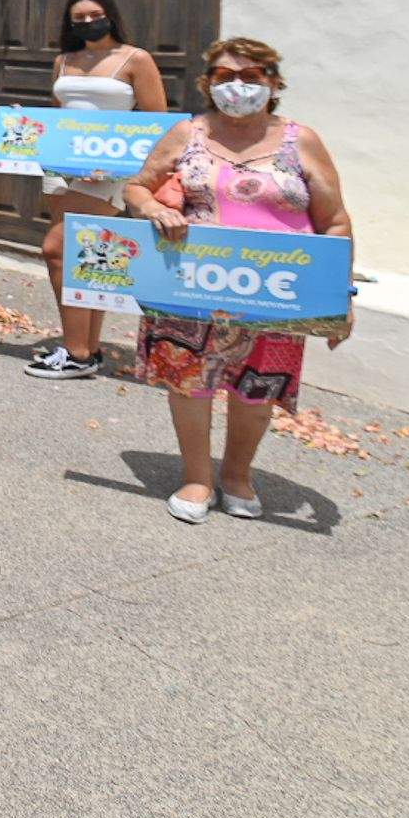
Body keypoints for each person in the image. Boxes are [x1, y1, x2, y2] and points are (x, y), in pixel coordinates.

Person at [124, 38, 351, 525]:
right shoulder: (187, 133)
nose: (238, 85)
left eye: (251, 75)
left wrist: (339, 297)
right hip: (190, 283)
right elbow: (137, 187)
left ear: (274, 83)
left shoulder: (301, 141)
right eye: (225, 76)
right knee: (190, 382)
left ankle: (237, 475)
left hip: (278, 292)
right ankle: (197, 477)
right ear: (208, 83)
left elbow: (334, 222)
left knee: (258, 389)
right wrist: (153, 208)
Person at [25, 0, 168, 380]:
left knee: (58, 250)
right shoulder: (63, 60)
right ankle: (88, 348)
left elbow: (158, 123)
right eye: (79, 18)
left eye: (95, 14)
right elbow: (60, 114)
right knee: (89, 256)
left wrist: (118, 167)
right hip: (63, 167)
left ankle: (75, 352)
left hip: (107, 171)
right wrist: (23, 124)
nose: (88, 22)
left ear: (110, 15)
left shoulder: (135, 59)